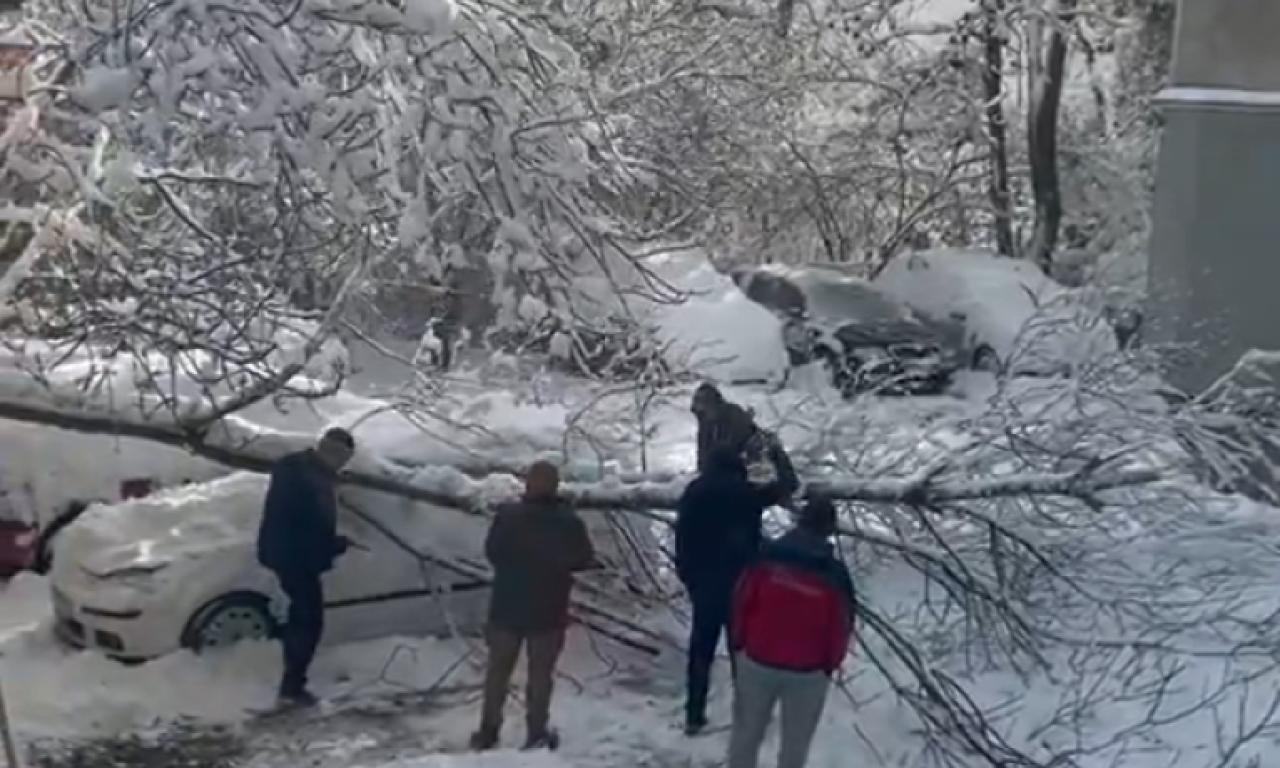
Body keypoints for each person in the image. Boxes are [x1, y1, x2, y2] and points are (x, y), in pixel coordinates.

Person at [471, 461, 595, 752]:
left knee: (497, 672)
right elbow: (583, 558)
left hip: (505, 606)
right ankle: (536, 733)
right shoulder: (568, 521)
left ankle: (488, 732)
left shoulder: (508, 516)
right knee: (540, 675)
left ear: (527, 484)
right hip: (548, 608)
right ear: (556, 485)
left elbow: (493, 553)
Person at [726, 495, 855, 768]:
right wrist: (828, 665)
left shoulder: (766, 557)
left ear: (800, 521)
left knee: (745, 737)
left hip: (757, 661)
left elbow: (741, 601)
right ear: (829, 530)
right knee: (795, 748)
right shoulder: (834, 575)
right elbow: (841, 626)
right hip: (807, 673)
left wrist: (739, 643)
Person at [674, 446, 791, 736]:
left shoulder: (695, 492)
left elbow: (682, 536)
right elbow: (788, 486)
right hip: (741, 584)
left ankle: (694, 714)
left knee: (701, 651)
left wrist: (688, 576)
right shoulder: (745, 493)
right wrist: (778, 455)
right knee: (743, 654)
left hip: (704, 584)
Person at [256, 427, 356, 705]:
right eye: (342, 459)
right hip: (296, 558)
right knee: (308, 621)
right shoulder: (312, 479)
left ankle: (293, 680)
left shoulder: (296, 468)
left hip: (284, 552)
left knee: (302, 616)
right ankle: (292, 685)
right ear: (331, 451)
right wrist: (334, 545)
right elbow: (310, 527)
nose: (341, 465)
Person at [690, 383, 799, 498]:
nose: (705, 414)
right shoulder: (706, 423)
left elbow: (734, 443)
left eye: (705, 407)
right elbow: (703, 450)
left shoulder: (734, 414)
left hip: (753, 459)